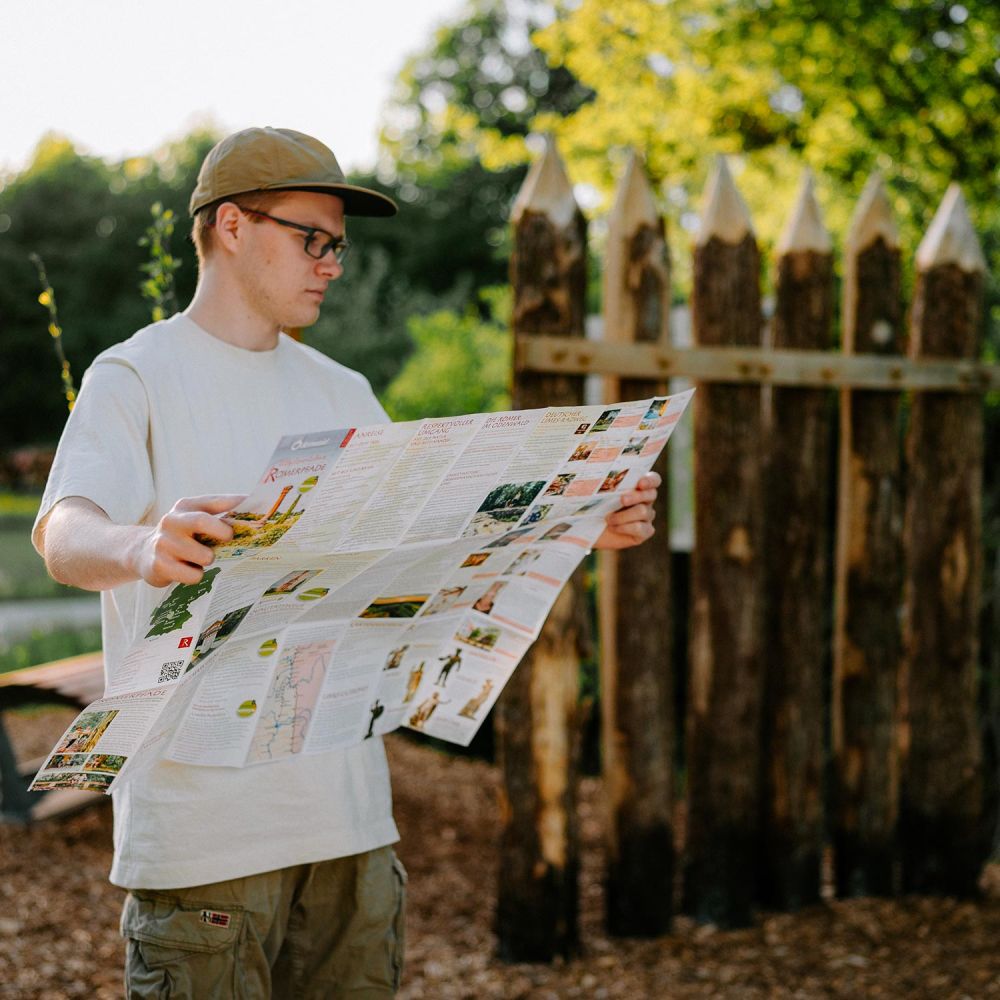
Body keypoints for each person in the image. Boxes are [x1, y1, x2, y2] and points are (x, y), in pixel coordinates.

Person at [32, 126, 663, 998]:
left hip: (352, 831)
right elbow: (63, 533)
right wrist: (142, 545)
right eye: (312, 239)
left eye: (339, 245)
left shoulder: (344, 391)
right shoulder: (134, 375)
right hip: (205, 841)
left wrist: (574, 526)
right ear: (230, 226)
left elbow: (428, 561)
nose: (331, 263)